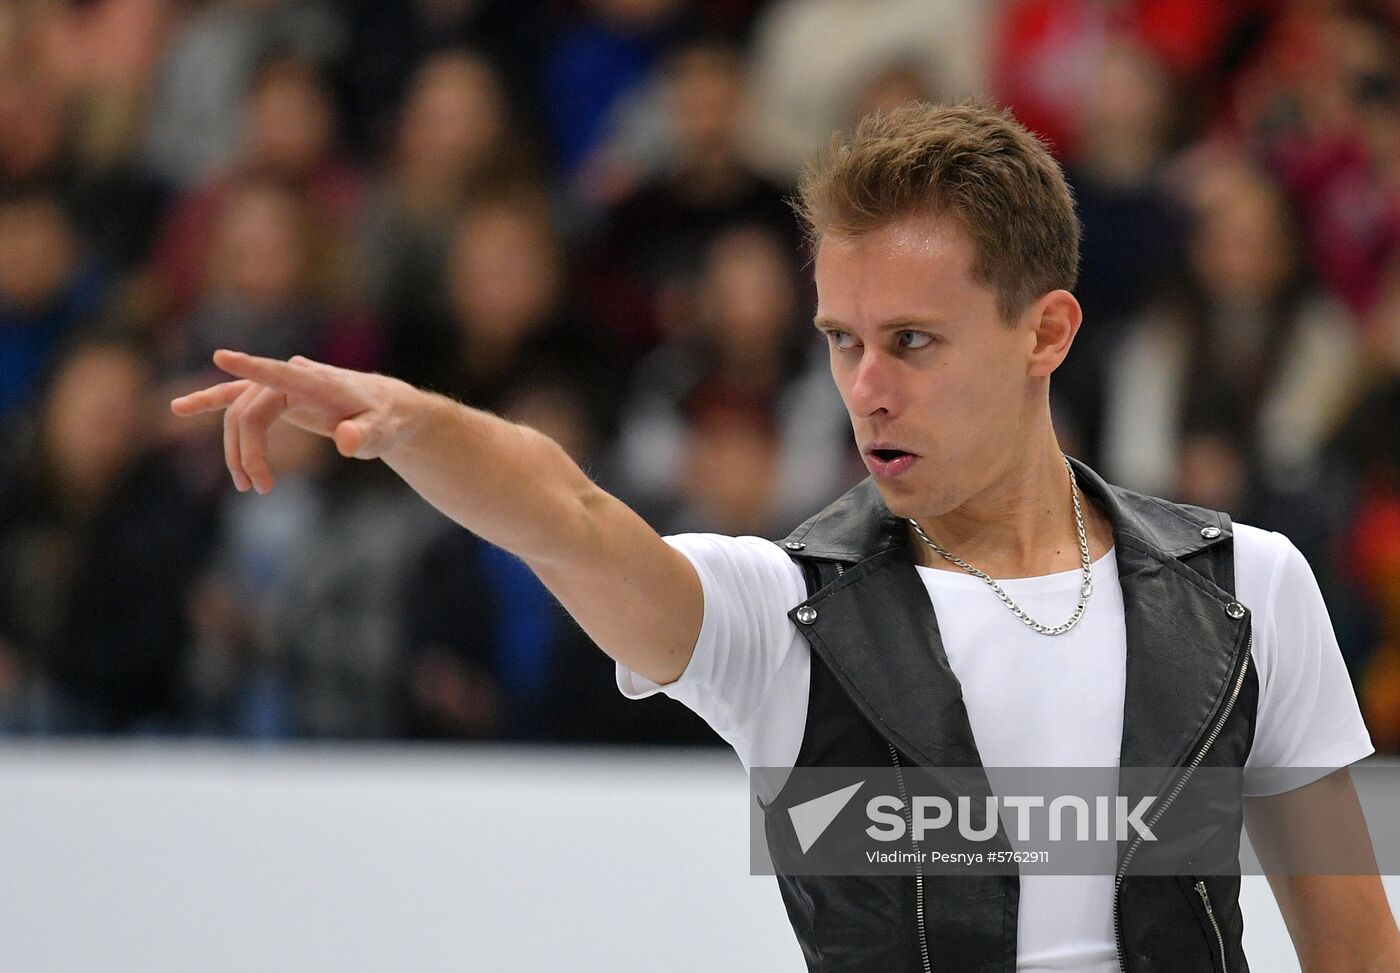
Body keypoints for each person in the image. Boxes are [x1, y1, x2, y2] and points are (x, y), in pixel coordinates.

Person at [171, 102, 1400, 971]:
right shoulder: (779, 611)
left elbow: (1351, 950)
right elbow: (574, 520)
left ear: (1046, 332)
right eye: (840, 339)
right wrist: (411, 423)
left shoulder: (1242, 583)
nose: (864, 385)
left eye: (911, 341)